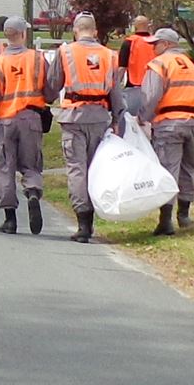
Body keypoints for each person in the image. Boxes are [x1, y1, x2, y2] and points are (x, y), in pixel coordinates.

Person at [52, 12, 123, 243]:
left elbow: (53, 84)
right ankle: (92, 219)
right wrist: (117, 119)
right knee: (95, 168)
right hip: (100, 116)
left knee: (76, 169)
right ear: (95, 31)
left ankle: (83, 221)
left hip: (73, 117)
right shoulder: (109, 55)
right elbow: (115, 91)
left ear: (75, 30)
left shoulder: (65, 52)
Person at [134, 25, 194, 236]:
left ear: (166, 44)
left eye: (155, 44)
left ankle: (165, 221)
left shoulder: (159, 64)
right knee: (189, 168)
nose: (153, 48)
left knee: (168, 170)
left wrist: (142, 118)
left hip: (170, 123)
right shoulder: (189, 63)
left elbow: (151, 96)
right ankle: (184, 215)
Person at [0, 16, 53, 235]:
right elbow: (51, 90)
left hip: (5, 121)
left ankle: (10, 219)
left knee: (6, 167)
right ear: (23, 34)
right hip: (31, 118)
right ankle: (33, 193)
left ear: (6, 35)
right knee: (31, 166)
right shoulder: (38, 59)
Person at [121, 13, 159, 90]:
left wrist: (117, 85)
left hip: (133, 84)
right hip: (153, 85)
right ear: (149, 25)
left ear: (135, 26)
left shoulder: (129, 42)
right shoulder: (156, 42)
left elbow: (122, 67)